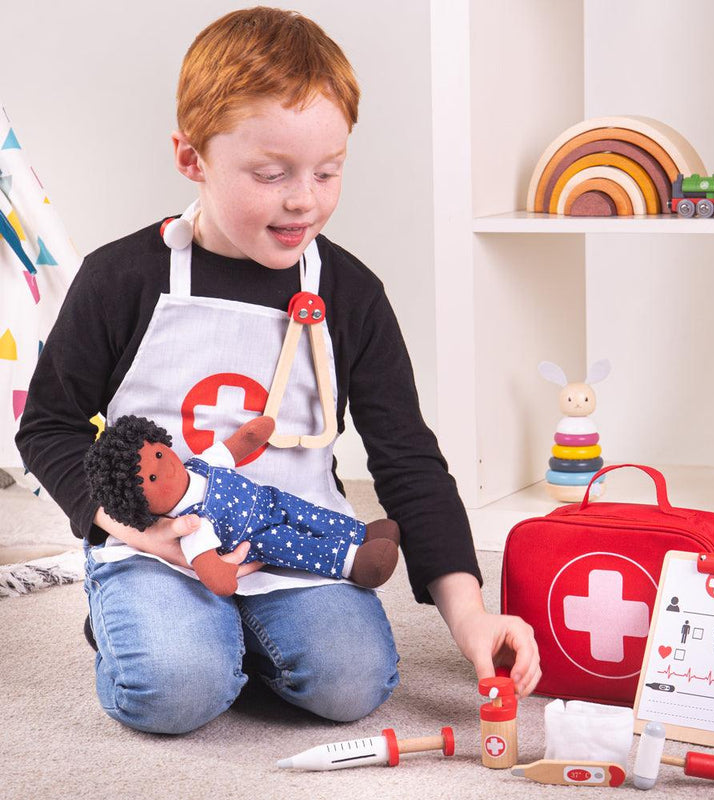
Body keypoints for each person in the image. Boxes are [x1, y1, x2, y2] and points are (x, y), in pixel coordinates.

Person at [16, 6, 540, 734]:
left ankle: (225, 640)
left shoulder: (351, 293)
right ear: (191, 158)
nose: (304, 198)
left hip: (294, 539)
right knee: (175, 691)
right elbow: (49, 425)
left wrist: (471, 614)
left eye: (328, 170)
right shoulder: (121, 277)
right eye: (271, 174)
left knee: (351, 685)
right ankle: (153, 627)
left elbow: (408, 459)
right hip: (160, 544)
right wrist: (127, 529)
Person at [83, 414, 400, 594]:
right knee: (298, 546)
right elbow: (215, 575)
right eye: (151, 478)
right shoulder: (192, 524)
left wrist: (252, 434)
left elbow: (236, 446)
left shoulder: (200, 464)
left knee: (311, 513)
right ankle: (353, 562)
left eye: (158, 454)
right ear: (137, 502)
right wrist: (224, 571)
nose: (164, 467)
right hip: (257, 538)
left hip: (271, 500)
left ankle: (361, 533)